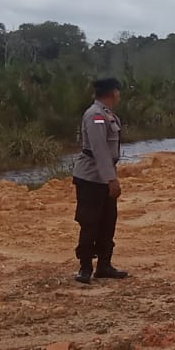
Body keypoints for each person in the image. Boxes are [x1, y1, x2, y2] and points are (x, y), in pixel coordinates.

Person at [73, 77, 128, 284]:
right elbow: (100, 150)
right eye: (117, 91)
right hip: (91, 178)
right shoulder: (96, 116)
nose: (119, 95)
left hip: (103, 177)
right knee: (90, 222)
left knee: (108, 221)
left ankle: (104, 265)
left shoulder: (107, 115)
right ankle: (85, 267)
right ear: (112, 93)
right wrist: (111, 179)